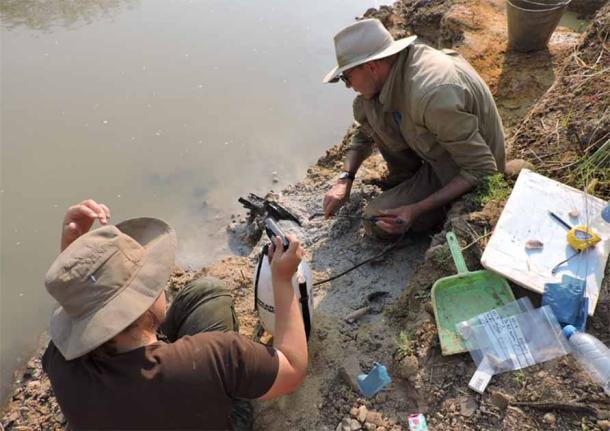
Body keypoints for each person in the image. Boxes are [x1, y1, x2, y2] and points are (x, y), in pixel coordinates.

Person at [42, 199, 308, 430]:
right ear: (144, 303)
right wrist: (282, 280)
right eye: (152, 279)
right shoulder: (212, 358)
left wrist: (75, 260)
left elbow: (84, 311)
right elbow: (293, 370)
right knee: (212, 293)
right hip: (197, 408)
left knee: (204, 291)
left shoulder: (60, 363)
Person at [322, 19, 506, 238]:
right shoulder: (393, 71)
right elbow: (364, 133)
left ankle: (438, 209)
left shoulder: (431, 94)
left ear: (371, 66)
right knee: (367, 106)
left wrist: (416, 209)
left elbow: (482, 169)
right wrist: (345, 179)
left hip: (465, 170)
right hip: (441, 151)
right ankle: (408, 181)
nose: (348, 86)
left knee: (376, 219)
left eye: (347, 77)